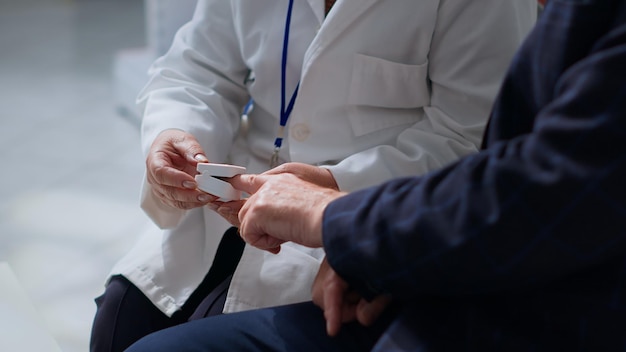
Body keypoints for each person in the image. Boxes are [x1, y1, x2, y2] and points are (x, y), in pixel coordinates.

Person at [125, 0, 626, 351]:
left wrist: (333, 199)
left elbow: (472, 140)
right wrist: (175, 131)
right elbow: (198, 65)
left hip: (350, 242)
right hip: (231, 215)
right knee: (121, 317)